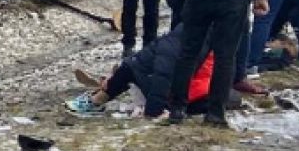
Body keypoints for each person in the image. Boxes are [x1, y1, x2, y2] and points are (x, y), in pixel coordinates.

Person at [65, 23, 217, 118]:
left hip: (189, 95)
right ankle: (101, 93)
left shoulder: (185, 39)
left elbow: (164, 75)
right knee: (130, 67)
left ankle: (99, 95)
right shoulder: (195, 36)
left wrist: (153, 111)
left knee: (131, 69)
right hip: (191, 90)